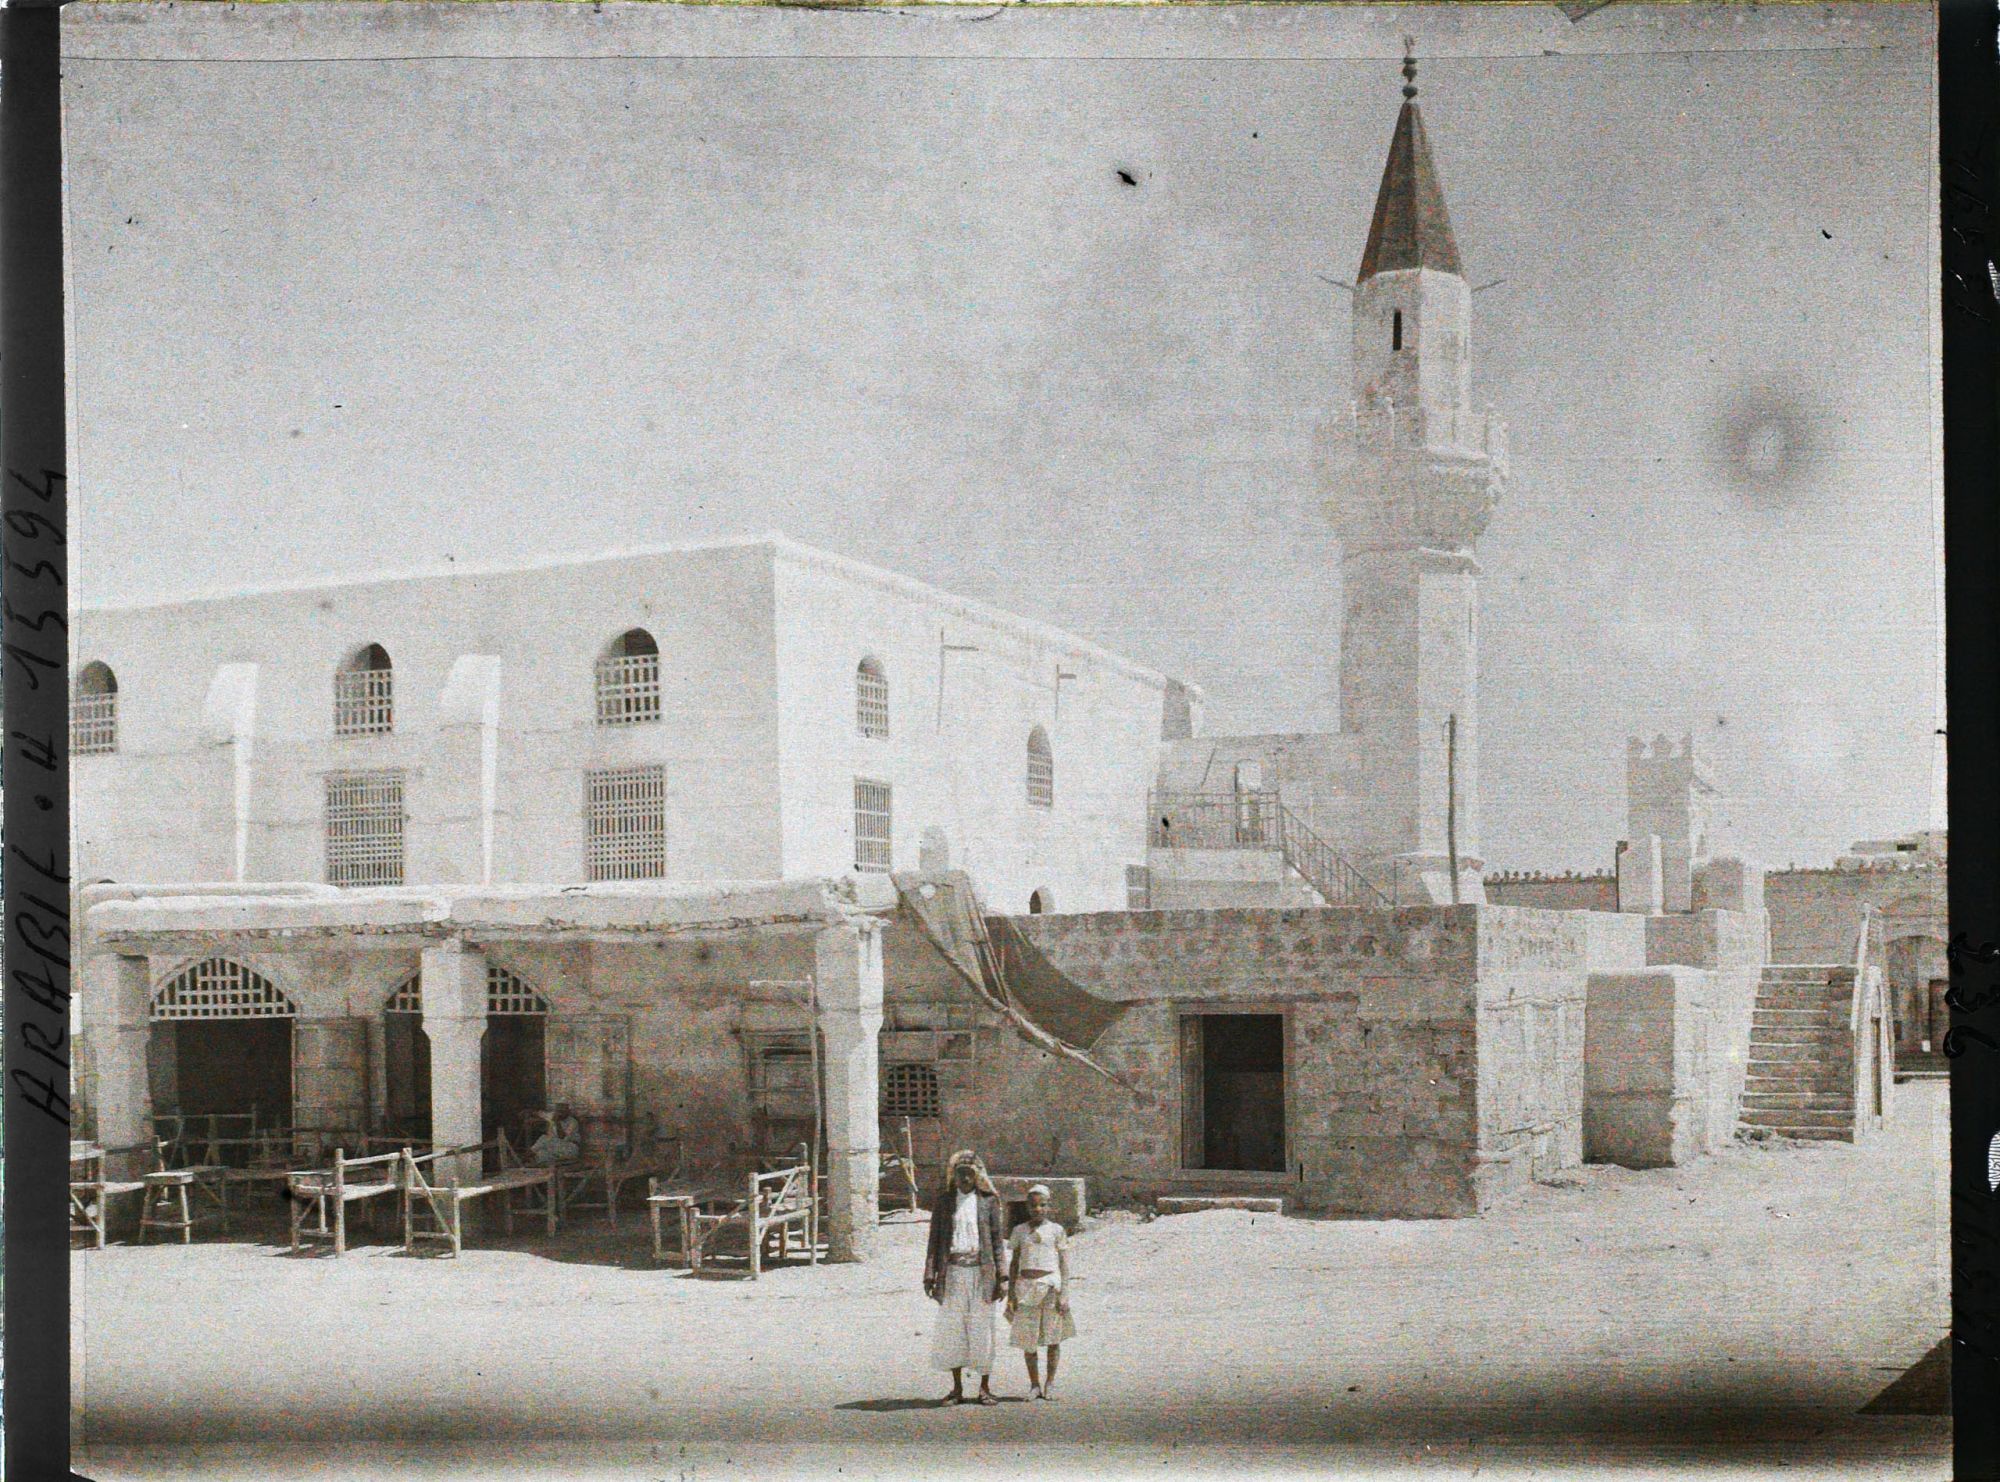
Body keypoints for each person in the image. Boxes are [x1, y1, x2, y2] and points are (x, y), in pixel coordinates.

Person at [923, 1149, 1008, 1405]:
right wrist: (930, 1274)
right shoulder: (944, 1202)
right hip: (953, 1274)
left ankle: (984, 1388)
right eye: (960, 1174)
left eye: (969, 1174)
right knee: (953, 1330)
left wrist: (1002, 1276)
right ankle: (957, 1389)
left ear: (977, 1175)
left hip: (982, 1276)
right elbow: (934, 1242)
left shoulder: (989, 1202)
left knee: (982, 1330)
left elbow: (997, 1243)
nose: (965, 1179)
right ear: (953, 1175)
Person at [1005, 1184, 1076, 1400]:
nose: (1038, 1209)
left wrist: (1064, 1293)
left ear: (1049, 1207)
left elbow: (1064, 1265)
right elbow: (1014, 1263)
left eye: (1042, 1205)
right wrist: (1011, 1295)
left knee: (1053, 1338)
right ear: (1027, 1207)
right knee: (1029, 1340)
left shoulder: (1056, 1230)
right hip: (1026, 1288)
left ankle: (1050, 1383)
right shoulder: (1019, 1231)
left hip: (1050, 1288)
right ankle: (1034, 1384)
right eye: (1033, 1206)